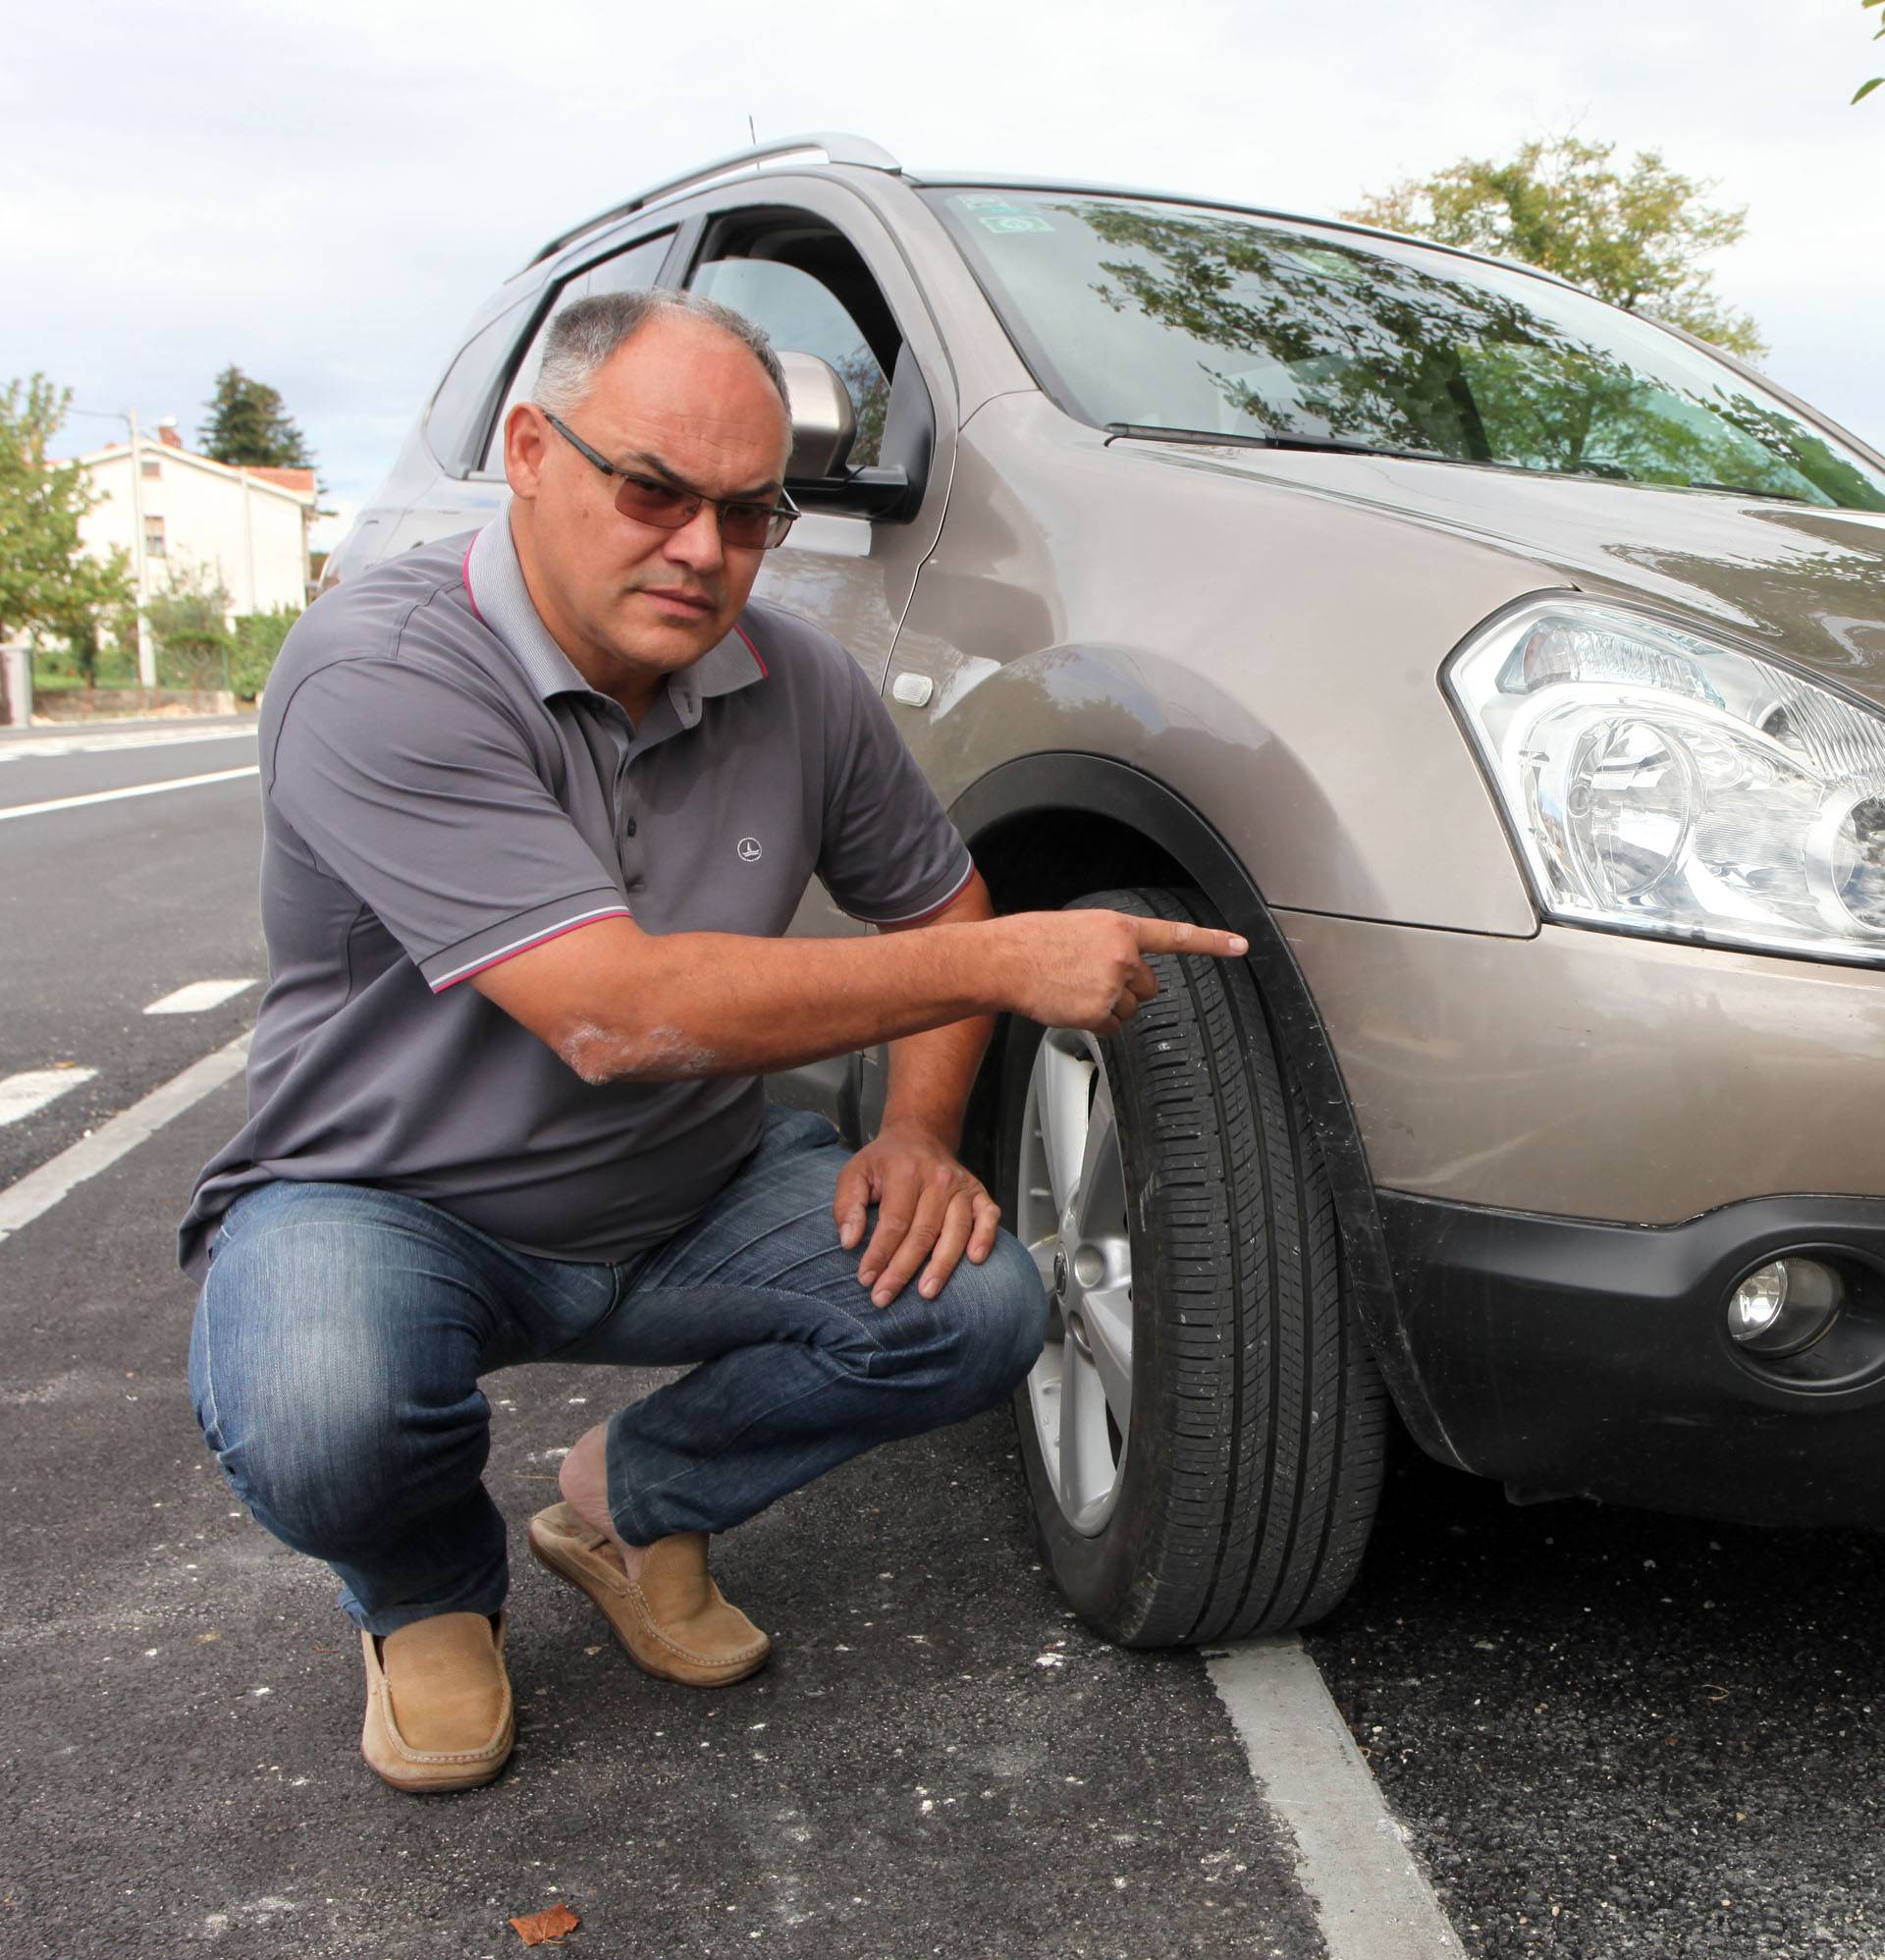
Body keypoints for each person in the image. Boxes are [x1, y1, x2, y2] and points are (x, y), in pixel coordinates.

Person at [179, 289, 1248, 1794]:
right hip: (391, 1202)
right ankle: (423, 1591)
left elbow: (937, 901)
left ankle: (630, 1501)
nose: (703, 550)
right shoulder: (384, 670)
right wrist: (1008, 965)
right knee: (315, 1407)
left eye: (749, 513)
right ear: (532, 451)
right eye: (655, 492)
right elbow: (616, 1012)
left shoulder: (799, 683)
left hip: (691, 1191)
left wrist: (918, 1132)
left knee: (971, 1306)